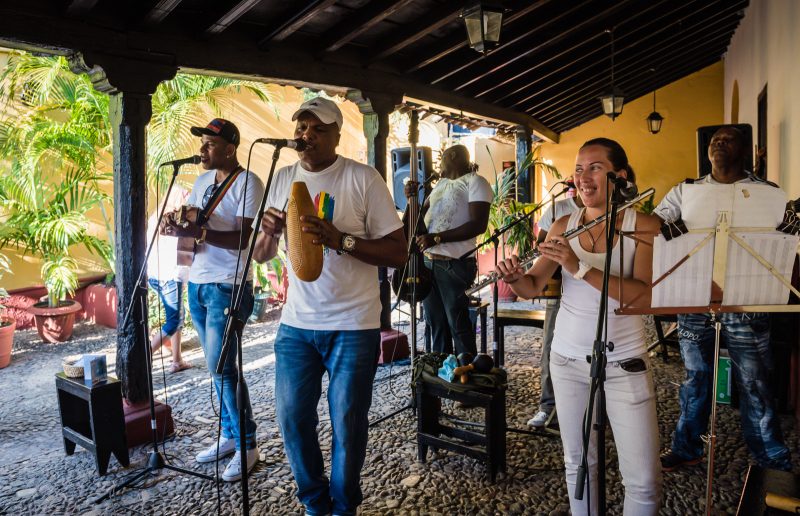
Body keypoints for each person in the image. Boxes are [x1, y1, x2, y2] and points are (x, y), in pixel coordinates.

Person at [252, 97, 407, 516]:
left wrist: (342, 240)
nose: (306, 135)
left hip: (354, 323)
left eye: (317, 128)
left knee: (348, 422)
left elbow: (397, 251)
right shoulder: (282, 178)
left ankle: (343, 506)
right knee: (291, 419)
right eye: (301, 127)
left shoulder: (362, 178)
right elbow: (263, 254)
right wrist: (267, 232)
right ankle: (314, 503)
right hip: (297, 325)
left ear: (338, 134)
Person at [496, 138, 662, 515]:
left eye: (595, 168)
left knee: (644, 481)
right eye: (578, 169)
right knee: (579, 464)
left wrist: (581, 267)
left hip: (625, 363)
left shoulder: (645, 225)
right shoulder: (562, 224)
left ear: (619, 176)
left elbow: (643, 297)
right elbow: (533, 287)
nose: (583, 178)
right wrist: (514, 277)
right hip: (567, 360)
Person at [655, 125, 792, 472]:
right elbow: (656, 223)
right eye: (715, 139)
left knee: (754, 381)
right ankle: (686, 447)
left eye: (727, 139)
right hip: (695, 299)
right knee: (695, 378)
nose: (718, 143)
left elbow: (787, 238)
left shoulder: (769, 194)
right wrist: (664, 228)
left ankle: (770, 457)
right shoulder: (685, 191)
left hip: (748, 301)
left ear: (744, 150)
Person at [162, 118, 263, 482]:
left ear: (230, 149)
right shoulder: (202, 180)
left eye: (209, 144)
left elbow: (242, 240)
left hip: (229, 284)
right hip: (198, 280)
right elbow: (193, 222)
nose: (202, 150)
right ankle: (230, 435)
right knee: (214, 367)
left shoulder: (249, 182)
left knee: (224, 368)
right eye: (202, 143)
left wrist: (199, 230)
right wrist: (177, 225)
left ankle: (247, 444)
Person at [404, 145, 492, 356]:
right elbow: (416, 220)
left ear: (452, 155)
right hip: (427, 263)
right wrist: (411, 199)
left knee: (458, 325)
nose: (439, 164)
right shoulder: (440, 184)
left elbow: (478, 224)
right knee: (435, 324)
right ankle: (440, 377)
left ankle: (465, 377)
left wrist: (438, 238)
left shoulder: (475, 182)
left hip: (455, 263)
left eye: (441, 158)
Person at [527, 183, 583, 428]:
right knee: (551, 345)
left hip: (595, 290)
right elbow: (542, 244)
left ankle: (587, 408)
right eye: (579, 170)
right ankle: (548, 406)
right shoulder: (560, 209)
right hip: (560, 286)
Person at [147, 187, 191, 373]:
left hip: (155, 275)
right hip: (170, 276)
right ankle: (145, 357)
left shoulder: (155, 217)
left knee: (175, 314)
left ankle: (177, 360)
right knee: (174, 321)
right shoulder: (176, 222)